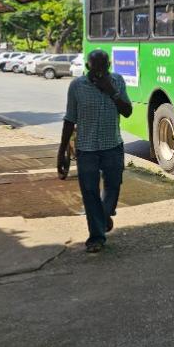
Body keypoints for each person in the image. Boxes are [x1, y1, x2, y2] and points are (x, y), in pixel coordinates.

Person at [58, 50, 133, 253]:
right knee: (90, 192)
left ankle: (103, 215)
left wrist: (111, 91)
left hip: (113, 146)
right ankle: (96, 237)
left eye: (104, 66)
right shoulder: (77, 86)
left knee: (114, 186)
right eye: (96, 67)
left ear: (109, 65)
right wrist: (62, 151)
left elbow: (127, 111)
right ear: (88, 66)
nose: (100, 71)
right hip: (86, 149)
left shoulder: (117, 81)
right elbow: (70, 119)